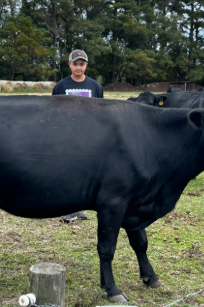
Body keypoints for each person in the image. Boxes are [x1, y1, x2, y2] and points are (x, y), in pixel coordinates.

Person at [53, 49, 103, 222]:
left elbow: (102, 113)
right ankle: (66, 208)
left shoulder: (95, 87)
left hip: (88, 137)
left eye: (81, 64)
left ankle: (78, 208)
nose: (78, 67)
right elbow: (54, 112)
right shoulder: (60, 86)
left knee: (84, 172)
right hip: (66, 136)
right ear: (70, 65)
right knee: (67, 171)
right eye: (75, 64)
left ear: (86, 65)